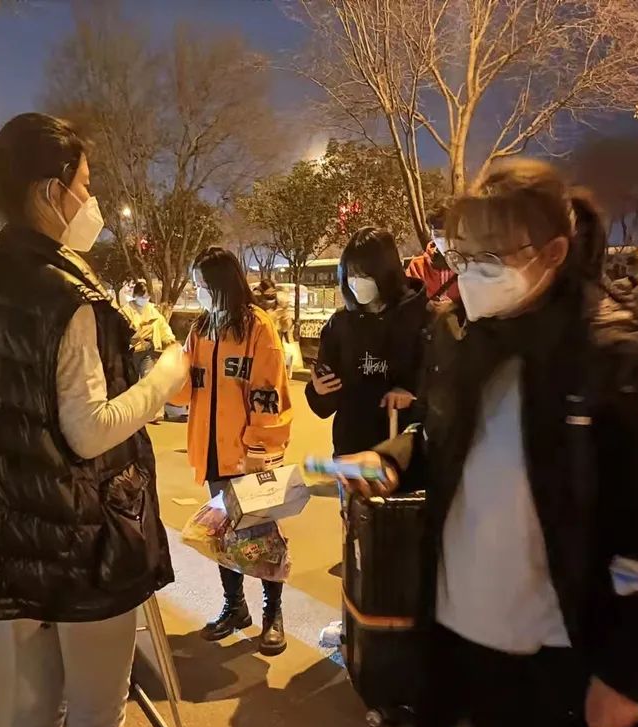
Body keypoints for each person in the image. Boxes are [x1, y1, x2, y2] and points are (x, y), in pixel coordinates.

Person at [341, 159, 638, 727]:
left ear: (554, 252)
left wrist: (630, 673)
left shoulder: (616, 358)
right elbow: (439, 431)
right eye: (463, 255)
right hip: (478, 642)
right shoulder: (459, 336)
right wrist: (395, 457)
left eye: (491, 256)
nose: (471, 273)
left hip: (568, 659)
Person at [0, 113, 189, 727]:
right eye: (86, 185)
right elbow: (88, 430)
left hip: (13, 531)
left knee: (35, 706)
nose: (91, 200)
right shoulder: (67, 296)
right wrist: (166, 375)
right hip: (80, 538)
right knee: (99, 715)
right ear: (52, 192)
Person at [171, 246, 293, 655]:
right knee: (222, 537)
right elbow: (185, 390)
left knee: (261, 536)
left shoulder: (257, 328)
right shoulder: (202, 328)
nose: (198, 292)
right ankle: (234, 606)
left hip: (247, 455)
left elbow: (267, 393)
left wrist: (259, 446)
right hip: (212, 453)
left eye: (202, 285)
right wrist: (164, 375)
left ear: (221, 284)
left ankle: (273, 614)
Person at [305, 227, 428, 457]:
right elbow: (325, 405)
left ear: (387, 272)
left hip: (405, 455)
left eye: (365, 275)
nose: (356, 282)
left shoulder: (423, 317)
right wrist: (319, 392)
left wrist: (413, 394)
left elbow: (441, 386)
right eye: (351, 274)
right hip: (351, 453)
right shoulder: (339, 325)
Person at [122, 279, 176, 421]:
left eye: (146, 296)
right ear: (135, 295)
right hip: (132, 352)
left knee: (151, 380)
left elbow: (163, 326)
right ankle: (132, 413)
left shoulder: (152, 310)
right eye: (142, 296)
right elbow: (123, 331)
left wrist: (169, 339)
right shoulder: (126, 311)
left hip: (148, 350)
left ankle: (154, 414)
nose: (145, 299)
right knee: (132, 383)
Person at [405, 203, 459, 303]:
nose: (444, 240)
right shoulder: (418, 267)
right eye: (438, 234)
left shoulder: (471, 267)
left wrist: (456, 305)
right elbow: (410, 304)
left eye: (449, 234)